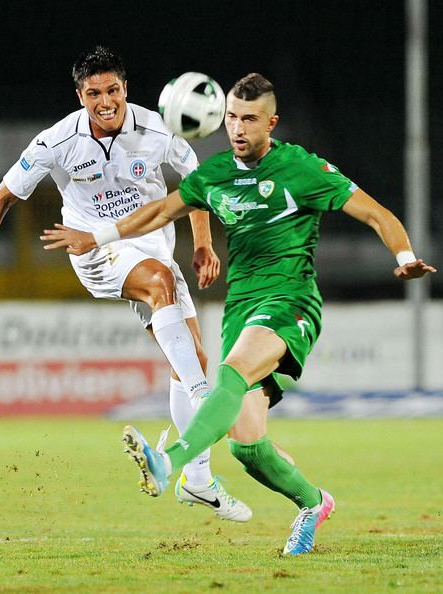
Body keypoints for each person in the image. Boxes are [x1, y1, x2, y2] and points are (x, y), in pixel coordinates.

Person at [39, 72, 436, 555]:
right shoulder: (216, 174)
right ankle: (313, 504)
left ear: (272, 122)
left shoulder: (302, 168)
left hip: (290, 302)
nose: (238, 128)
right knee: (246, 445)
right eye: (230, 118)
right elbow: (160, 212)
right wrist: (96, 238)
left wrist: (404, 257)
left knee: (226, 373)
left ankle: (171, 461)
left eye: (249, 119)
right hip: (242, 308)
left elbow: (377, 214)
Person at [0, 46, 252, 523]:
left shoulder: (157, 127)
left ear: (126, 89)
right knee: (167, 297)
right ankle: (208, 398)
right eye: (94, 93)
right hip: (93, 251)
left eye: (113, 90)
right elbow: (1, 199)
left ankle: (198, 480)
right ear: (80, 95)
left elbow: (196, 181)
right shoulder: (56, 142)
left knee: (190, 357)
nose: (106, 101)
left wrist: (203, 244)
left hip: (154, 247)